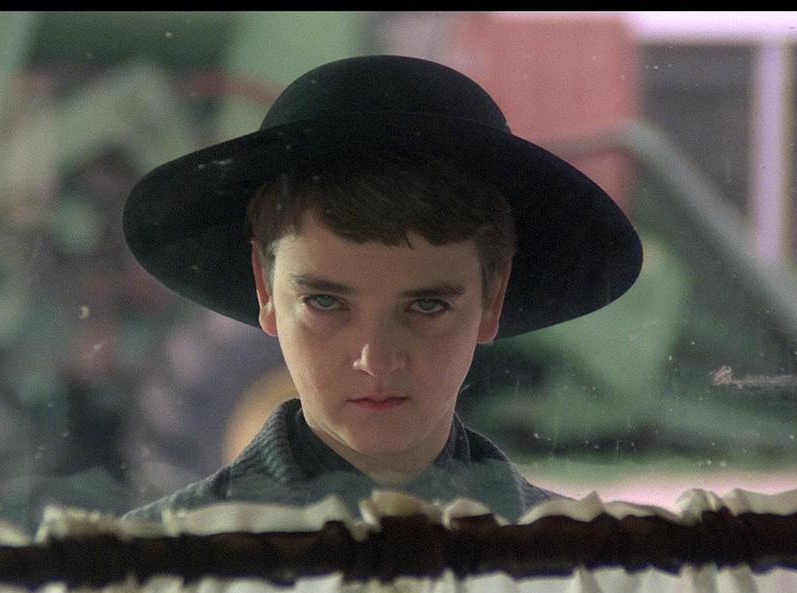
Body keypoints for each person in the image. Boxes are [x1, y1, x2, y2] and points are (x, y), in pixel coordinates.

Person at [120, 55, 642, 523]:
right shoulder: (157, 570)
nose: (375, 360)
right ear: (265, 289)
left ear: (493, 299)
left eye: (427, 305)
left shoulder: (583, 568)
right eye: (325, 302)